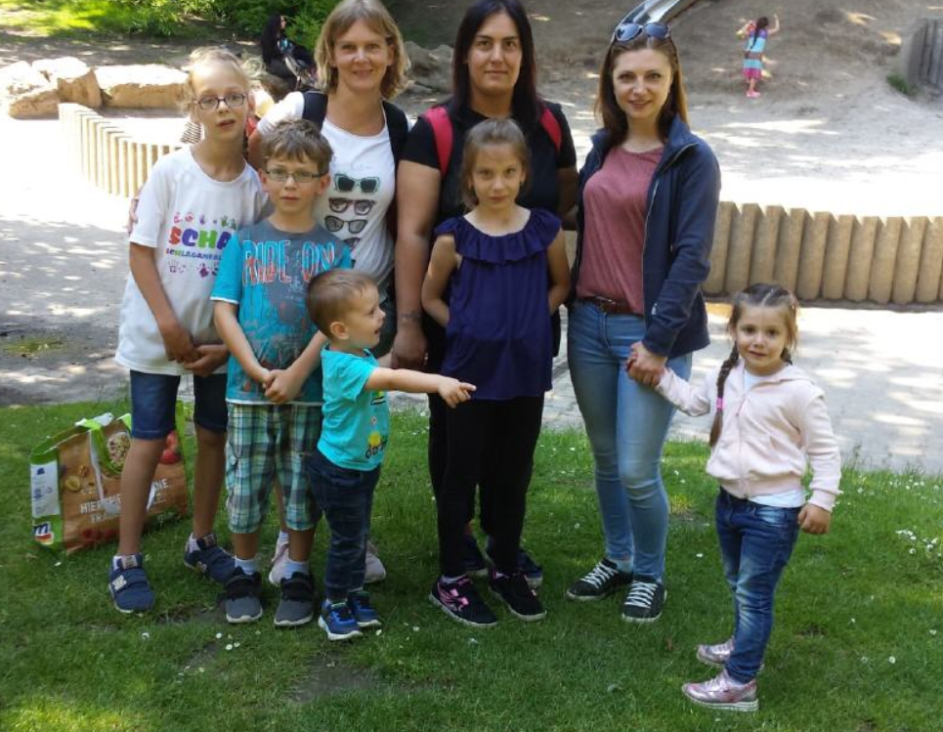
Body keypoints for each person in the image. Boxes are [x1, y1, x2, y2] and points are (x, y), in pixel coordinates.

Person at [394, 0, 578, 586]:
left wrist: (540, 308)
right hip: (461, 323)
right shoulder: (435, 130)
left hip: (526, 320)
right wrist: (411, 322)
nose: (497, 56)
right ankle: (462, 541)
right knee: (457, 439)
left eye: (510, 44)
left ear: (525, 53)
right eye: (484, 43)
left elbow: (561, 207)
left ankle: (504, 541)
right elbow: (414, 231)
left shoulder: (550, 124)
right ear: (465, 53)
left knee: (513, 441)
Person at [248, 0, 411, 584]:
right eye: (349, 46)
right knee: (296, 425)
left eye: (373, 45)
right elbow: (249, 166)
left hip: (362, 305)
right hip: (292, 295)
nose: (361, 57)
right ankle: (287, 541)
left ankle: (353, 536)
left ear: (390, 52)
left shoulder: (399, 127)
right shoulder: (301, 110)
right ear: (331, 55)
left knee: (352, 424)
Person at [564, 19, 720, 622]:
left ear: (673, 79)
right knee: (605, 458)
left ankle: (650, 574)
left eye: (653, 76)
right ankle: (618, 556)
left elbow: (692, 258)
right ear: (610, 81)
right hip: (589, 324)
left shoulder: (691, 159)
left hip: (648, 334)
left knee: (635, 467)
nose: (639, 88)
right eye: (627, 76)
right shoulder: (602, 148)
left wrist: (657, 343)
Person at [110, 48, 267, 613]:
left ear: (249, 102)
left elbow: (252, 273)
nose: (223, 108)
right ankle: (126, 558)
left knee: (212, 436)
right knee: (150, 438)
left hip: (216, 343)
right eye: (209, 99)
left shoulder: (255, 189)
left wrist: (226, 345)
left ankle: (201, 541)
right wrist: (168, 325)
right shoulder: (171, 172)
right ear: (192, 108)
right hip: (158, 335)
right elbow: (141, 252)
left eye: (233, 96)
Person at [652, 284, 841, 712]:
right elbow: (694, 403)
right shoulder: (727, 375)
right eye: (749, 329)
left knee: (754, 595)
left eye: (772, 333)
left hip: (774, 512)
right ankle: (744, 645)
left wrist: (822, 499)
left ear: (789, 337)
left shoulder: (799, 391)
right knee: (740, 585)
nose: (759, 340)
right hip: (730, 503)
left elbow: (826, 452)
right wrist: (660, 376)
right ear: (733, 330)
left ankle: (740, 683)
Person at [422, 119, 570, 627]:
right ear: (469, 178)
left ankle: (506, 565)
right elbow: (430, 297)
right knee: (460, 471)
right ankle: (451, 578)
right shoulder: (454, 237)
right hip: (467, 375)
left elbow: (560, 285)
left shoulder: (545, 230)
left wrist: (532, 322)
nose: (498, 183)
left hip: (525, 371)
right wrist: (465, 329)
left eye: (508, 172)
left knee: (514, 471)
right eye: (486, 173)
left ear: (524, 173)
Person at [211, 120, 351, 626]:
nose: (290, 183)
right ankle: (244, 570)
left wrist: (295, 373)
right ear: (264, 178)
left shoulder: (333, 251)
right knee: (245, 483)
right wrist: (254, 368)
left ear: (322, 182)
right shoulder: (244, 244)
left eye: (302, 174)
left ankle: (297, 572)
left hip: (308, 392)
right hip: (246, 392)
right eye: (280, 172)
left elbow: (335, 324)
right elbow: (224, 311)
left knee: (300, 486)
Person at [306, 269, 475, 640]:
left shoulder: (355, 353)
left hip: (360, 465)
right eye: (370, 312)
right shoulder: (343, 365)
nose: (382, 314)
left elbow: (381, 368)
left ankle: (354, 592)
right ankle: (334, 603)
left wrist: (408, 362)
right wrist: (437, 382)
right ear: (340, 329)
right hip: (340, 470)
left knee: (358, 534)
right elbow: (391, 380)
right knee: (347, 540)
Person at [260, 14, 316, 90]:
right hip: (272, 62)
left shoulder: (282, 35)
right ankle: (302, 87)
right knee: (294, 70)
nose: (285, 22)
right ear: (276, 23)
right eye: (282, 21)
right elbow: (269, 54)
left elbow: (289, 47)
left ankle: (298, 88)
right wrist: (283, 56)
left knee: (297, 66)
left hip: (286, 59)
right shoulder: (267, 37)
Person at [737, 14, 780, 99]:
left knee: (749, 68)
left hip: (748, 52)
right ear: (766, 26)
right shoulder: (765, 32)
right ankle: (750, 92)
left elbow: (741, 32)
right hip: (756, 54)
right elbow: (777, 29)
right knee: (754, 74)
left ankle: (748, 82)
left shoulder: (751, 31)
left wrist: (747, 24)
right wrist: (776, 19)